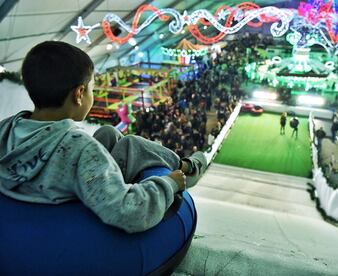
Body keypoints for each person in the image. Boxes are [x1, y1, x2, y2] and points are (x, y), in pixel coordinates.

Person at [0, 41, 207, 233]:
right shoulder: (80, 148)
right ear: (79, 94)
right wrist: (168, 184)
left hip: (38, 194)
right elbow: (128, 211)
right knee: (131, 143)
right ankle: (186, 168)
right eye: (92, 89)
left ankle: (185, 165)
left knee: (108, 133)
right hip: (71, 220)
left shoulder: (6, 128)